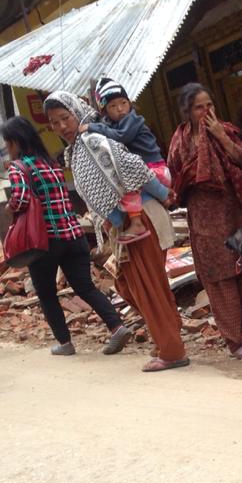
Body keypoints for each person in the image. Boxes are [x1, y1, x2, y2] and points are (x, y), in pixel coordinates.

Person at [44, 91, 188, 371]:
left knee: (148, 287)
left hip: (139, 220)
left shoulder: (92, 140)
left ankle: (172, 351)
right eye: (54, 122)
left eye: (65, 118)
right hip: (125, 224)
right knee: (133, 285)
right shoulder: (77, 150)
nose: (61, 126)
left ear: (77, 113)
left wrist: (161, 192)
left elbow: (133, 166)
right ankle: (167, 338)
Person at [1, 116, 132, 356]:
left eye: (8, 143)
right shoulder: (52, 164)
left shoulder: (20, 167)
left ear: (16, 141)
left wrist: (10, 208)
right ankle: (117, 325)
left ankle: (65, 343)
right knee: (85, 286)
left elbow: (20, 199)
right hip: (74, 235)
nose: (8, 148)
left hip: (44, 243)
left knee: (47, 293)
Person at [167, 83, 242, 361]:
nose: (206, 111)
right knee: (222, 278)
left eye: (209, 105)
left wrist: (221, 136)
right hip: (206, 220)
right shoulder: (180, 142)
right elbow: (178, 179)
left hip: (237, 211)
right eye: (199, 107)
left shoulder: (227, 130)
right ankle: (236, 341)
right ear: (187, 111)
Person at [85, 77, 172, 244]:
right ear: (105, 110)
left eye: (123, 102)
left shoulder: (132, 119)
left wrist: (91, 127)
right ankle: (123, 220)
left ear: (129, 103)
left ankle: (137, 223)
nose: (120, 109)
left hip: (154, 169)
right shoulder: (112, 125)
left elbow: (121, 137)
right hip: (148, 173)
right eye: (112, 106)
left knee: (126, 182)